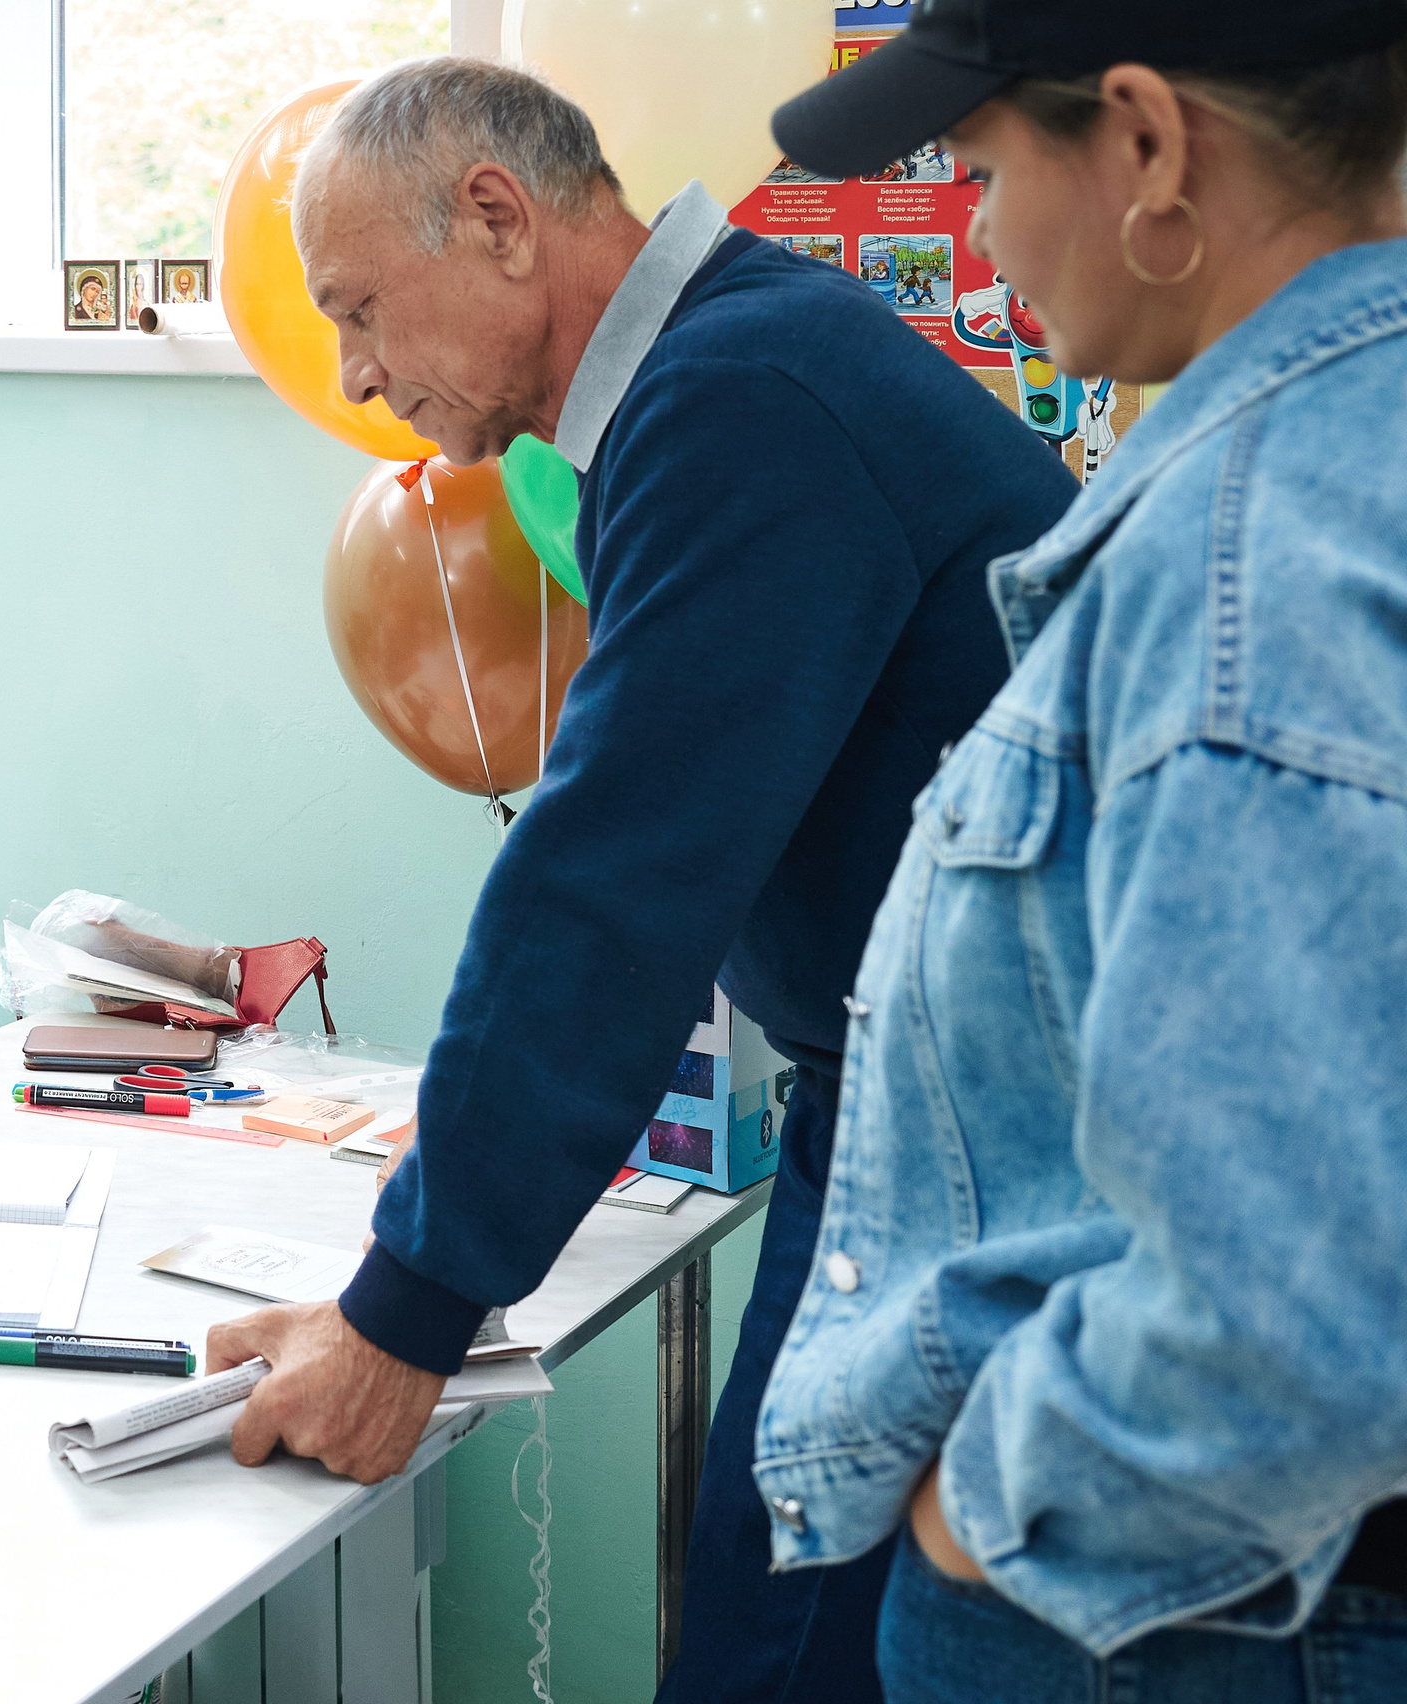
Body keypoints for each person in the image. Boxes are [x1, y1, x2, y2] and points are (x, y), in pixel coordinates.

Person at [199, 56, 1079, 1702]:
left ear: (496, 217)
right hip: (928, 1088)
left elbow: (609, 882)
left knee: (781, 1649)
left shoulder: (736, 397)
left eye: (362, 310)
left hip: (988, 1118)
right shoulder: (733, 360)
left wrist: (405, 1309)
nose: (358, 372)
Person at [753, 3, 1407, 1698]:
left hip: (1177, 1621)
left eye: (980, 169)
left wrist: (985, 1506)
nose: (974, 233)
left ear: (1148, 141)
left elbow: (1292, 1311)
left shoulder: (1254, 571)